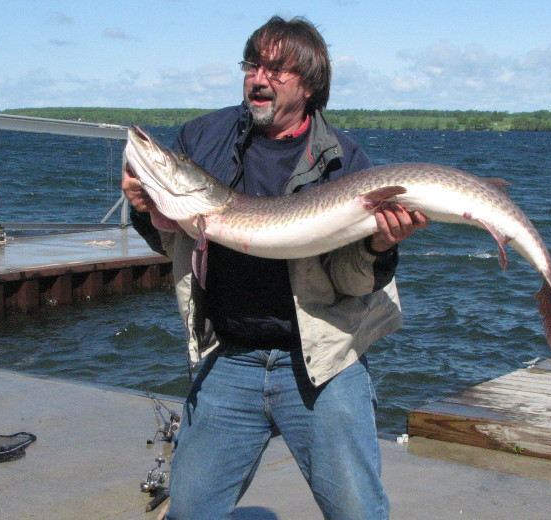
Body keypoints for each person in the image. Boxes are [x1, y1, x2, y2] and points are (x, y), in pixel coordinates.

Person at [123, 16, 428, 520]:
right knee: (190, 512)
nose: (258, 78)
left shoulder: (346, 163)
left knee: (358, 513)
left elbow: (353, 283)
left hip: (321, 362)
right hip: (230, 358)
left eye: (277, 70)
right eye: (252, 64)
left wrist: (380, 245)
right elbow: (173, 240)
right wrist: (142, 208)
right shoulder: (203, 138)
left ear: (308, 86)